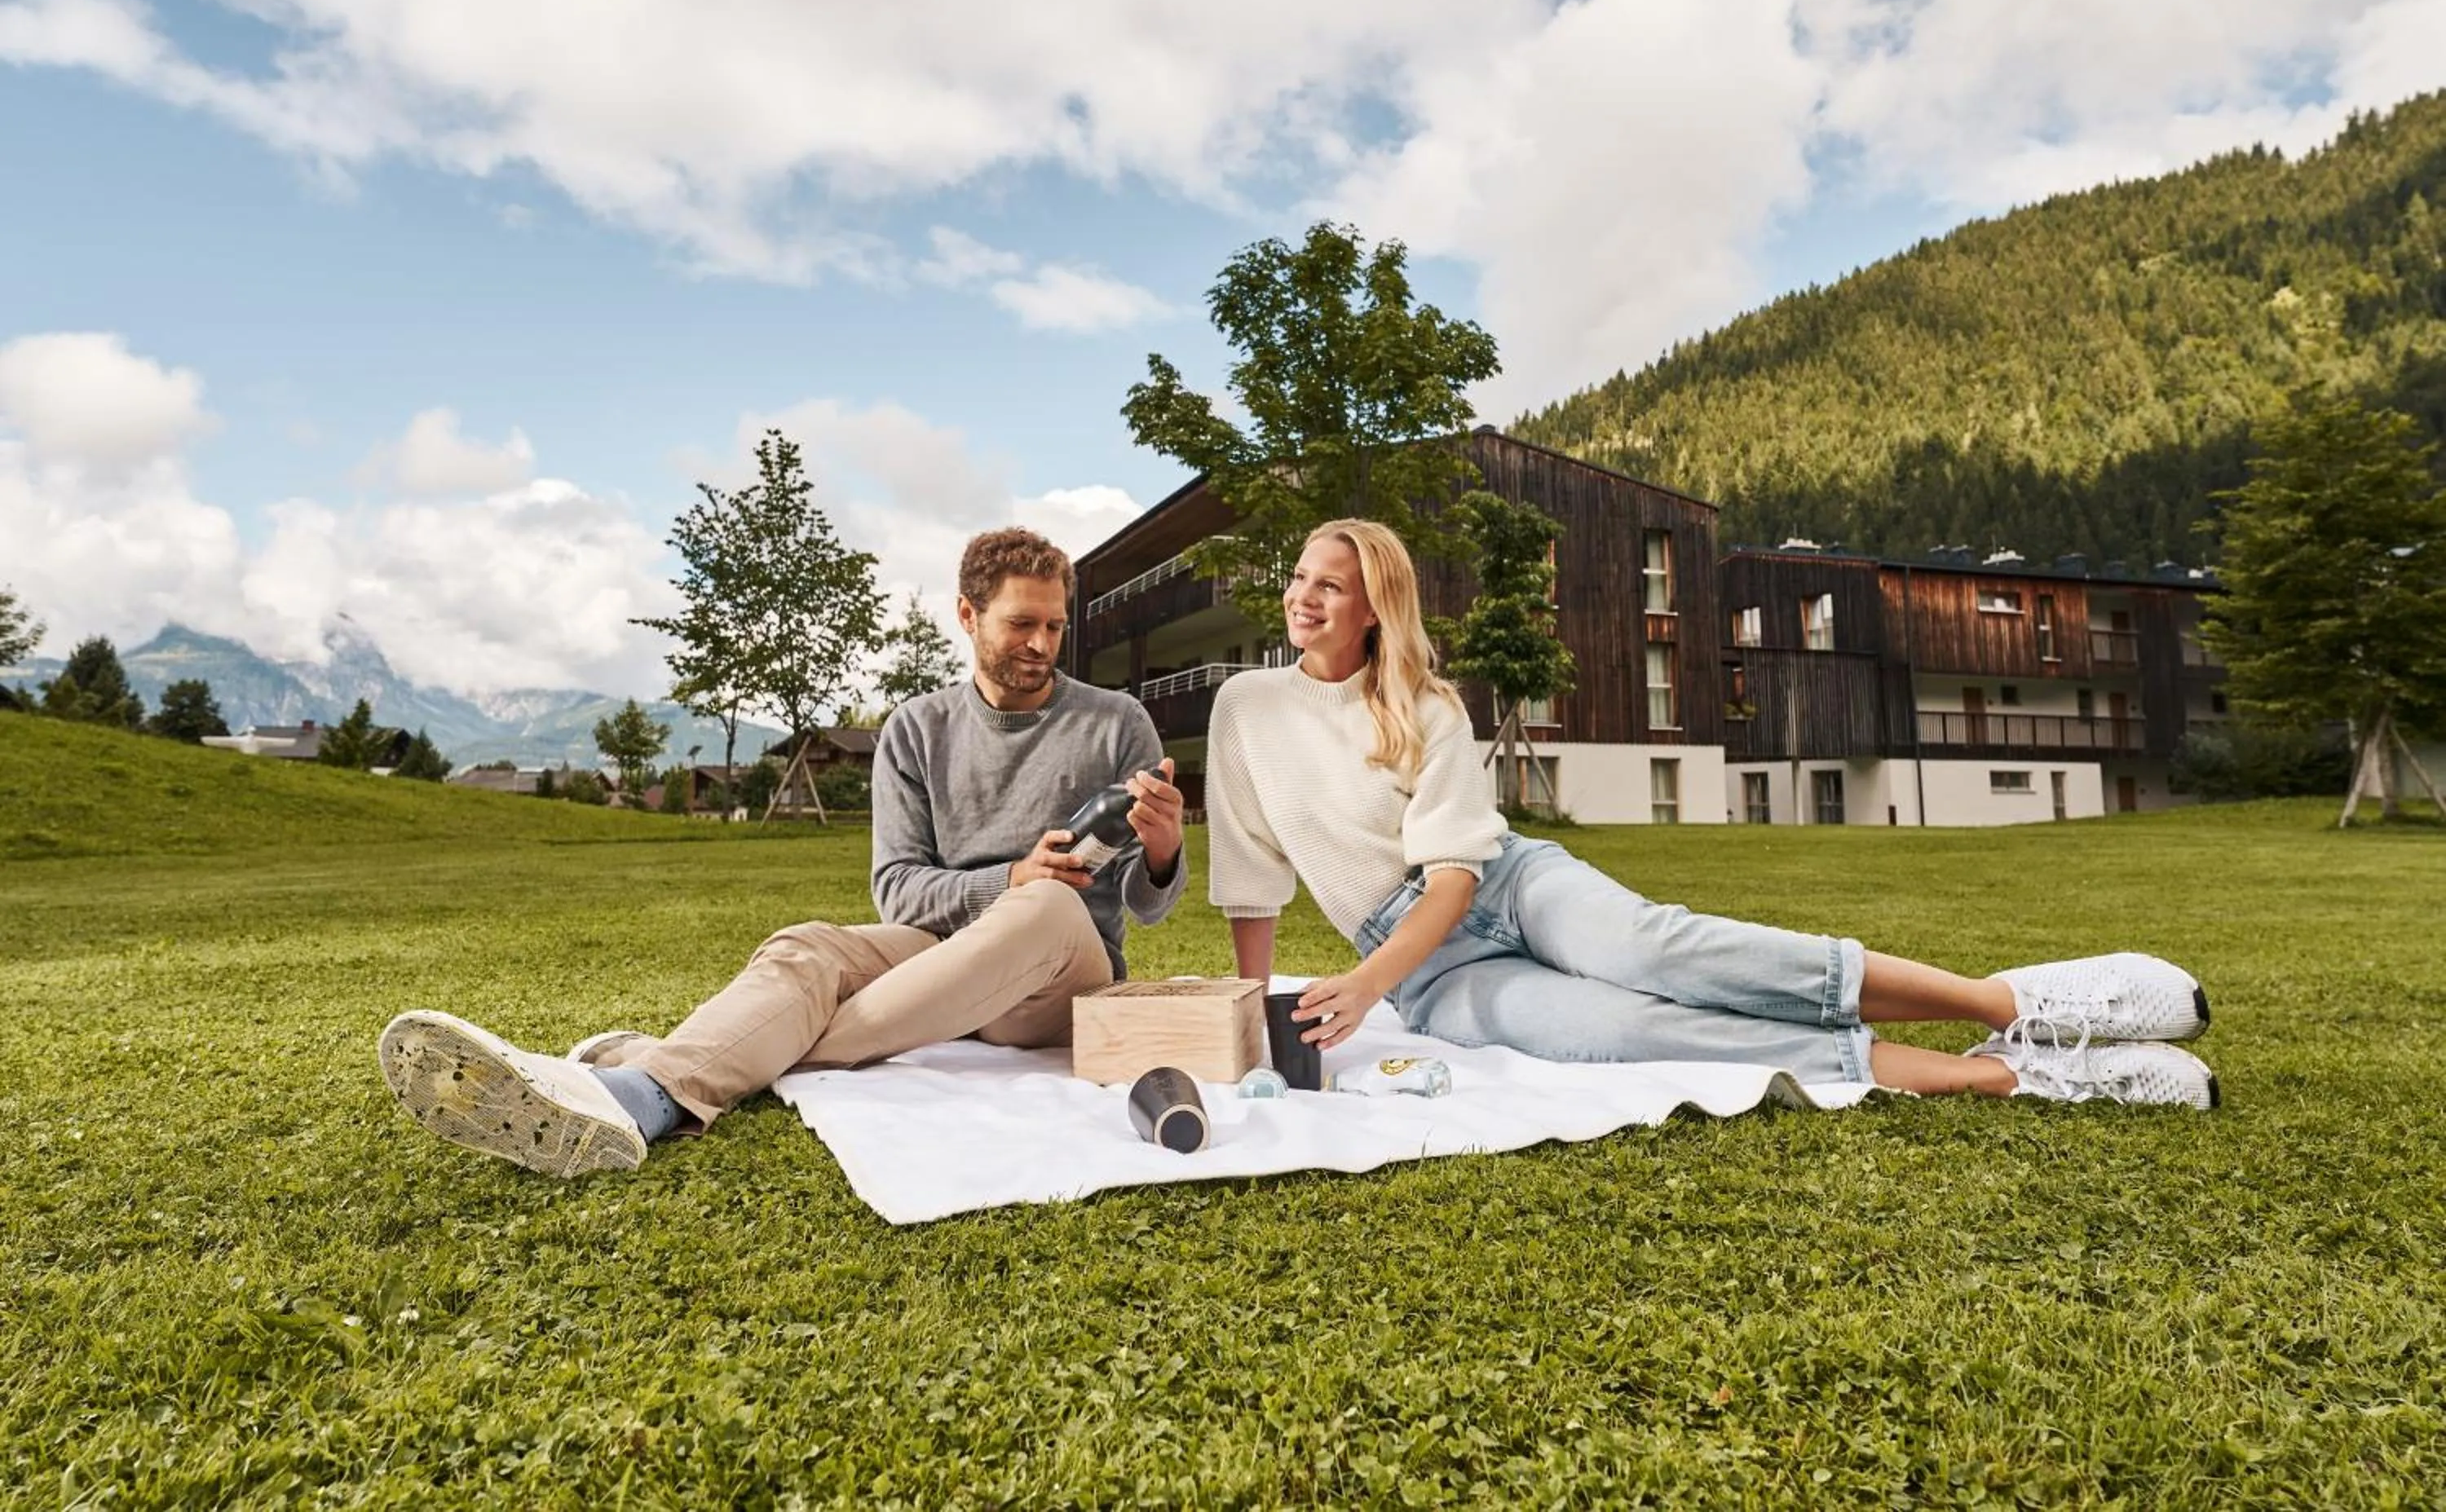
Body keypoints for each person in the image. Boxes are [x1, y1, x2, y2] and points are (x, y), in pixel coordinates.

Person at [1204, 518, 2219, 1109]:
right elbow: (1252, 871)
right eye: (1299, 580)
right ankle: (2023, 1080)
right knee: (1623, 1030)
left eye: (1329, 585)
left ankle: (2017, 1005)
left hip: (1503, 882)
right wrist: (1258, 1013)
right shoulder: (1246, 708)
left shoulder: (1428, 704)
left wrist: (1365, 982)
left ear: (1375, 603)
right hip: (1429, 970)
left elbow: (1461, 872)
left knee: (1662, 953)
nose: (1304, 599)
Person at [378, 527, 1188, 1176]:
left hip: (1056, 975)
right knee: (806, 949)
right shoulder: (917, 729)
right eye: (1022, 623)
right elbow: (898, 893)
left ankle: (660, 1060)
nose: (1043, 644)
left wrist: (1161, 851)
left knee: (1044, 903)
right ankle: (640, 1097)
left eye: (1054, 625)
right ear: (969, 616)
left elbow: (1149, 909)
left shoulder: (1116, 722)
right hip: (941, 957)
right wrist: (1004, 877)